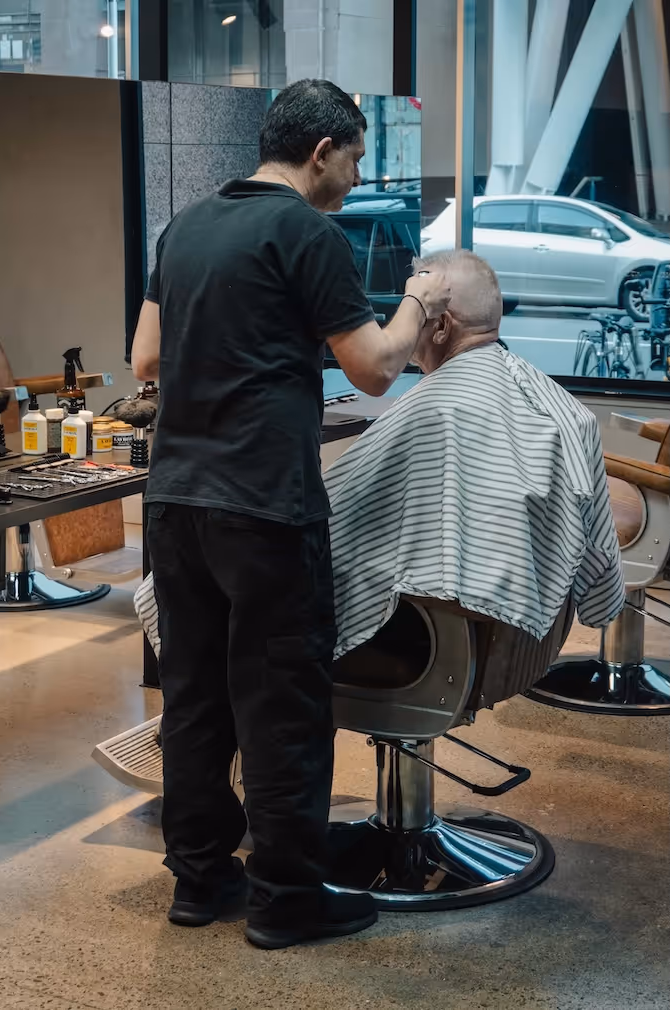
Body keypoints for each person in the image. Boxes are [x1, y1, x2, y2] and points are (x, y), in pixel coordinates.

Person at [130, 79, 451, 951]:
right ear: (321, 152)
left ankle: (199, 882)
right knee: (281, 706)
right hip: (263, 508)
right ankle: (284, 901)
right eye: (351, 158)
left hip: (174, 502)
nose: (351, 177)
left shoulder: (187, 224)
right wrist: (418, 296)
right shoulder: (308, 233)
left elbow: (146, 357)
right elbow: (377, 368)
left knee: (195, 701)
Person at [325, 250, 626, 660]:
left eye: (414, 314)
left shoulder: (440, 409)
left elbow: (335, 524)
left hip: (424, 638)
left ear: (441, 325)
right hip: (513, 644)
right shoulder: (553, 400)